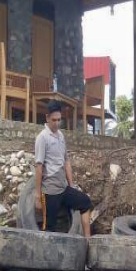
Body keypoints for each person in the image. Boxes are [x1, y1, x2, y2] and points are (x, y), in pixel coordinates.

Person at [34, 101, 93, 237]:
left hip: (63, 188)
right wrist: (37, 195)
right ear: (47, 118)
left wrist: (71, 185)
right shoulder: (42, 138)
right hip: (49, 192)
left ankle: (87, 242)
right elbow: (39, 166)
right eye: (54, 120)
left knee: (85, 203)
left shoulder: (61, 136)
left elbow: (66, 161)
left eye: (59, 120)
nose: (57, 123)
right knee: (49, 229)